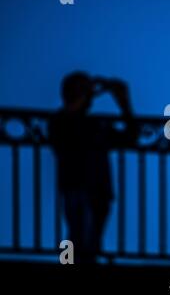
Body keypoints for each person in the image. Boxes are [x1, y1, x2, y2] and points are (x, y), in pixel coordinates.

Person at [49, 71, 138, 264]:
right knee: (79, 237)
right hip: (78, 188)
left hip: (98, 191)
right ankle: (70, 264)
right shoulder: (60, 122)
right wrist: (91, 91)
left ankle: (73, 263)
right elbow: (67, 121)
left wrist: (124, 103)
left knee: (87, 240)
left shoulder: (95, 125)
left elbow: (130, 138)